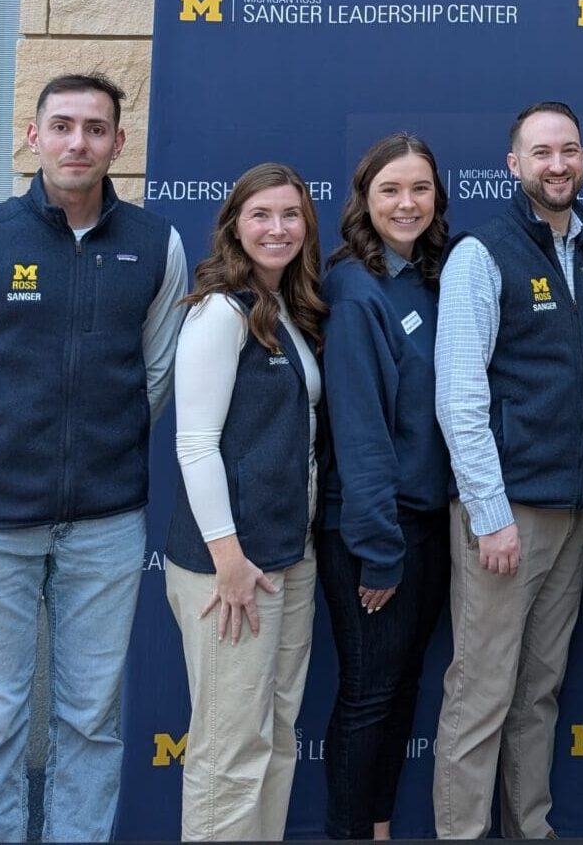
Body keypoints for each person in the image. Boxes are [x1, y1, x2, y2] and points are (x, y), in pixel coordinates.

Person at [0, 73, 187, 843]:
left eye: (96, 128)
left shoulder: (157, 245)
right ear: (34, 136)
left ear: (118, 145)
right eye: (61, 125)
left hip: (105, 524)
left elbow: (154, 374)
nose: (77, 142)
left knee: (91, 721)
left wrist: (99, 451)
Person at [433, 101, 583, 839]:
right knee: (481, 691)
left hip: (571, 512)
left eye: (569, 150)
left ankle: (529, 829)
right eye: (540, 153)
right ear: (513, 165)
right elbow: (458, 395)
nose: (557, 165)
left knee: (539, 691)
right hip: (504, 516)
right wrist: (490, 513)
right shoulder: (482, 252)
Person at [164, 163, 326, 841]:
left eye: (290, 215)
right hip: (231, 568)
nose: (277, 228)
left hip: (288, 557)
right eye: (261, 214)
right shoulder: (218, 310)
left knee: (276, 737)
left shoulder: (284, 307)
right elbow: (196, 444)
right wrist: (227, 558)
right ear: (234, 223)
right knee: (229, 751)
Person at [317, 134, 453, 840]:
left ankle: (376, 826)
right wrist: (377, 547)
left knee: (400, 691)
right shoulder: (353, 286)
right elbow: (360, 429)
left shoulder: (429, 277)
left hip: (427, 526)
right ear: (364, 200)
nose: (407, 203)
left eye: (420, 189)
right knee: (368, 699)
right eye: (391, 190)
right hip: (374, 531)